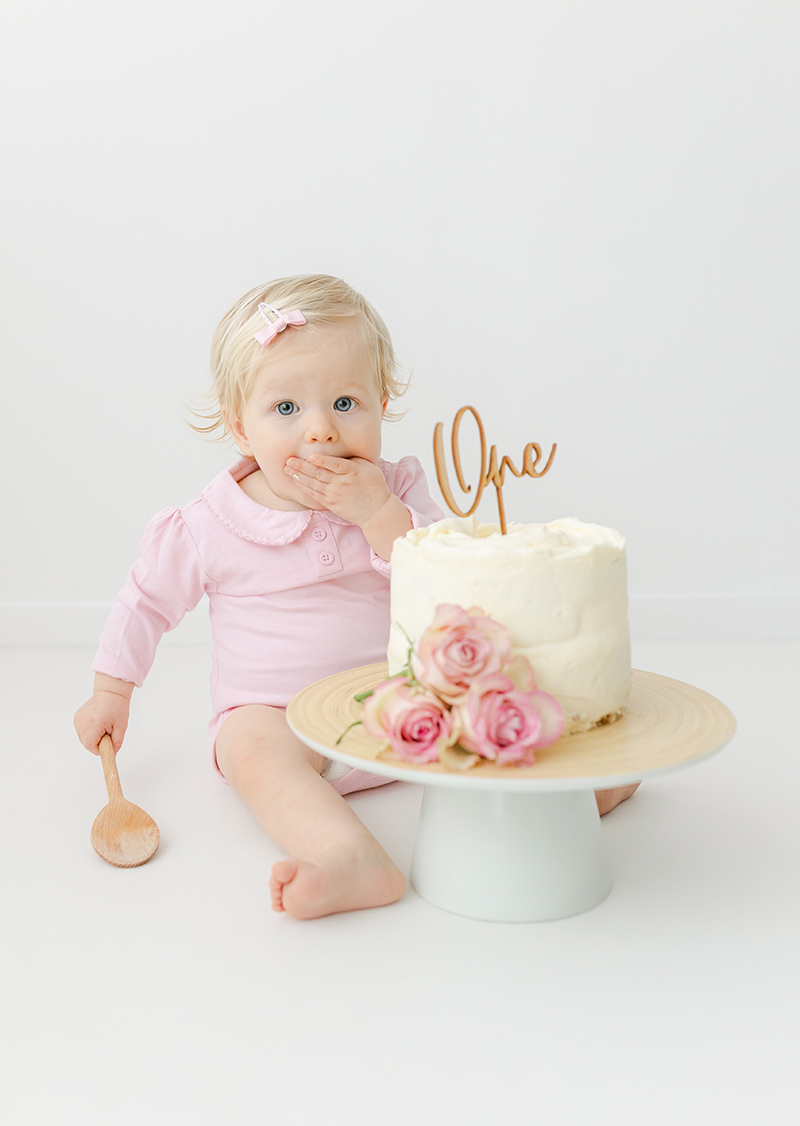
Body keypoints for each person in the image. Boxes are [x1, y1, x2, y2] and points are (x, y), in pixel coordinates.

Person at [74, 274, 637, 921]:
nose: (320, 431)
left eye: (345, 403)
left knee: (497, 701)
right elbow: (146, 601)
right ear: (238, 425)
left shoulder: (396, 488)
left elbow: (451, 575)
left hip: (407, 703)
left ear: (382, 401)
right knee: (249, 748)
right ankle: (348, 857)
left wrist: (379, 514)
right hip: (280, 717)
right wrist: (112, 690)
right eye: (286, 410)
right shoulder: (209, 523)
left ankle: (577, 795)